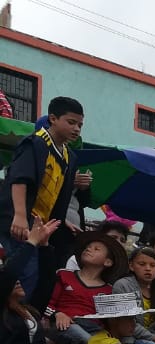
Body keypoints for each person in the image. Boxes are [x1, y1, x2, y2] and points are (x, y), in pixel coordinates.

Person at [0, 96, 91, 298]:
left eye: (80, 125)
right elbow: (20, 179)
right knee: (23, 272)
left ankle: (27, 320)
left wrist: (62, 221)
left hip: (41, 226)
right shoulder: (35, 143)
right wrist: (20, 215)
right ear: (53, 118)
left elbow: (59, 195)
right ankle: (14, 320)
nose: (76, 129)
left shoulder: (69, 156)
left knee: (41, 276)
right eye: (71, 122)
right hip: (20, 221)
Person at [112, 245, 155, 344]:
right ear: (131, 266)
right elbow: (128, 323)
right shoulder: (122, 285)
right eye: (142, 264)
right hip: (131, 339)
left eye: (153, 265)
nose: (148, 269)